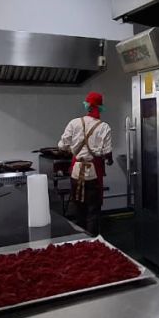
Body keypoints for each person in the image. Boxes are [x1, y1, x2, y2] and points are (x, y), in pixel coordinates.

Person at [58, 91, 113, 235]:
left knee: (78, 208)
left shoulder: (74, 123)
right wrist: (109, 160)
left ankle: (81, 239)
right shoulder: (104, 127)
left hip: (76, 171)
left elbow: (62, 146)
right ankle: (93, 241)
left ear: (87, 105)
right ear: (100, 107)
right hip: (93, 172)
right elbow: (107, 152)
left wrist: (72, 149)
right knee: (93, 210)